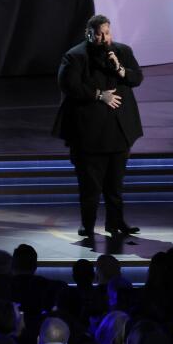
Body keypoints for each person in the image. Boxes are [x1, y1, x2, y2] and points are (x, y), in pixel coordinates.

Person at [52, 13, 143, 238]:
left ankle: (116, 223)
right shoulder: (74, 56)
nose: (104, 38)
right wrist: (99, 95)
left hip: (118, 131)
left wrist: (120, 69)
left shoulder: (122, 52)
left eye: (107, 33)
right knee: (90, 186)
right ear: (89, 34)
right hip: (88, 134)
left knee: (115, 185)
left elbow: (136, 78)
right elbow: (68, 85)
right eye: (99, 34)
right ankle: (88, 225)